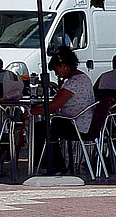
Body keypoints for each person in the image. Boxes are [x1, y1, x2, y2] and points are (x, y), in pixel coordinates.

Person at [31, 46, 96, 176]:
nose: (56, 74)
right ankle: (53, 164)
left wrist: (32, 112)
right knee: (49, 126)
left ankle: (54, 165)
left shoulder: (73, 83)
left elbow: (53, 106)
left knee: (41, 128)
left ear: (64, 66)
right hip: (84, 122)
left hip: (76, 125)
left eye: (56, 70)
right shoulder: (83, 78)